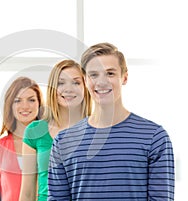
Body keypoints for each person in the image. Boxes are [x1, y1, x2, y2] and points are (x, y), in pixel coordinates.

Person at [48, 42, 175, 200]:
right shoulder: (63, 141)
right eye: (94, 74)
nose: (102, 82)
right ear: (86, 80)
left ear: (124, 77)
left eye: (110, 73)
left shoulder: (154, 137)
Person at [19, 59, 91, 201]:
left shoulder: (99, 130)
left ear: (85, 87)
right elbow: (27, 192)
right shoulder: (34, 131)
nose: (68, 89)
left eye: (76, 82)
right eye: (61, 83)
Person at [0, 77, 44, 201]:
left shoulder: (50, 143)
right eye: (18, 101)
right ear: (10, 105)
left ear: (39, 104)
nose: (25, 106)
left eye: (31, 100)